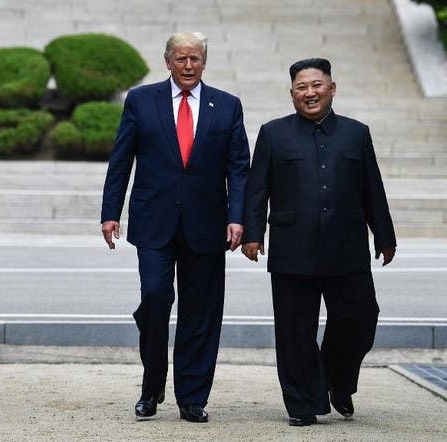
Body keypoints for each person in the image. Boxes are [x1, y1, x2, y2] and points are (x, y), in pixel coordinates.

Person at [100, 31, 250, 422]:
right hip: (154, 221)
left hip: (207, 222)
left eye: (195, 59)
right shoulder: (141, 100)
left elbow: (239, 166)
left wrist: (238, 217)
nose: (188, 66)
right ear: (167, 61)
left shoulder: (228, 106)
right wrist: (110, 211)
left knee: (201, 311)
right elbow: (122, 159)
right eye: (181, 59)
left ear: (204, 62)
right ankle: (152, 387)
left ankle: (192, 397)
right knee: (155, 297)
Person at [241, 58, 397, 426]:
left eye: (316, 85)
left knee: (361, 318)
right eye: (301, 87)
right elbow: (257, 188)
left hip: (347, 248)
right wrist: (252, 233)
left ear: (332, 88)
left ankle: (338, 382)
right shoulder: (273, 133)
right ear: (292, 93)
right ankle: (301, 405)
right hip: (292, 248)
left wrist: (385, 236)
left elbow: (372, 188)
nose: (309, 93)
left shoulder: (356, 133)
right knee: (295, 330)